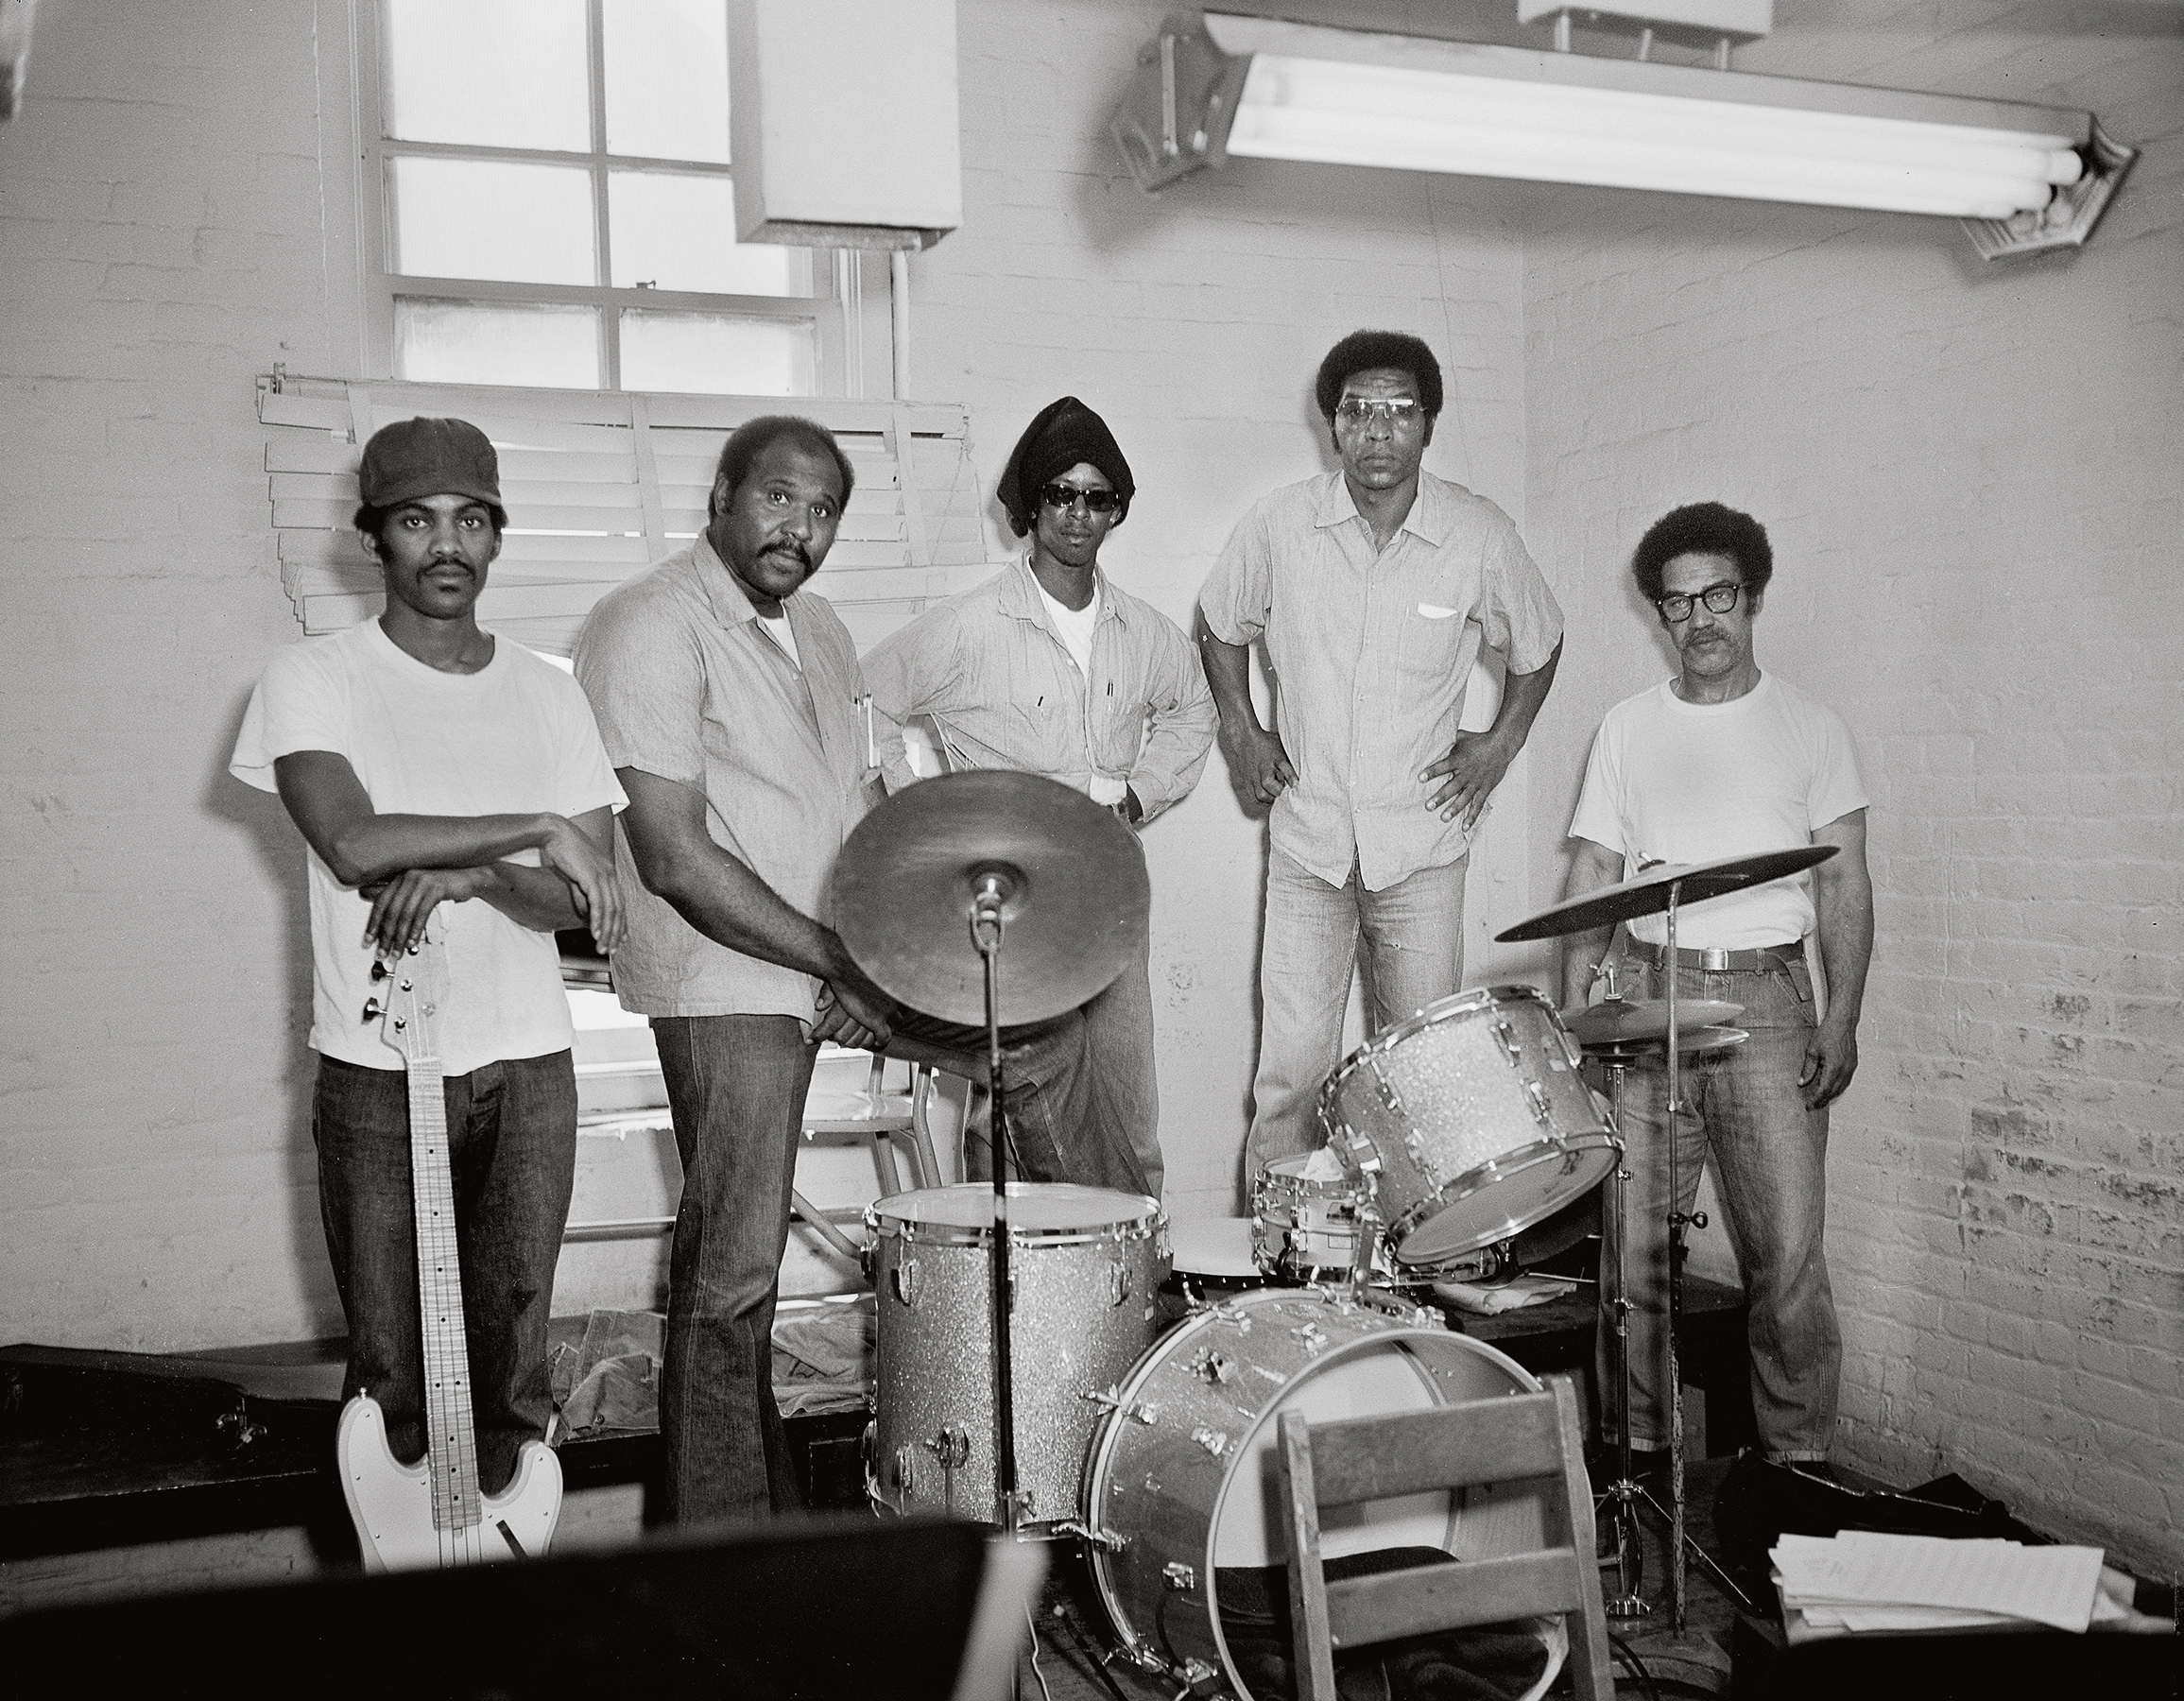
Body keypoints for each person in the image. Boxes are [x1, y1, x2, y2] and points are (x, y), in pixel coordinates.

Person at [574, 415, 1106, 1525]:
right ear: (720, 495)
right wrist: (835, 965)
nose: (799, 529)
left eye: (822, 512)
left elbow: (858, 806)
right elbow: (672, 857)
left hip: (830, 959)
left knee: (1033, 1044)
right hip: (727, 977)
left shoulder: (816, 627)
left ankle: (1056, 1391)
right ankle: (724, 1564)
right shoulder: (645, 623)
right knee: (734, 1277)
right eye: (777, 499)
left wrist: (905, 956)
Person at [230, 416, 627, 1498]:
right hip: (372, 1064)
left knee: (512, 1371)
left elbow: (577, 905)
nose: (444, 544)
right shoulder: (312, 678)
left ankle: (500, 1592)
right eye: (416, 520)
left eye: (468, 520)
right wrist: (535, 826)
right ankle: (403, 1617)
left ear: (497, 538)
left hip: (528, 1066)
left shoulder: (550, 692)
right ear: (375, 541)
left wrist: (475, 870)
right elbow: (355, 842)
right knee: (392, 1374)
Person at [1198, 329, 1566, 1177]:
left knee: (1425, 1077)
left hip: (1421, 851)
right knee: (1290, 1078)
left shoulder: (1476, 533)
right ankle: (1282, 1272)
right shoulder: (1279, 527)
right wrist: (1242, 730)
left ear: (1427, 427)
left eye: (1400, 411)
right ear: (1333, 425)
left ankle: (1419, 1275)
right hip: (1307, 848)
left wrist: (1499, 745)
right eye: (1357, 410)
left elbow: (1538, 641)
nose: (1377, 430)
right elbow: (1220, 626)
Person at [1557, 500, 1874, 1469]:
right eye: (1678, 603)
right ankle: (1641, 1468)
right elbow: (1588, 884)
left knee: (1785, 1263)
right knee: (1636, 1262)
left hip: (1769, 1008)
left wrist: (1844, 1017)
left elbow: (1843, 884)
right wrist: (1574, 1024)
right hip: (1649, 997)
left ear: (1753, 598)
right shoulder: (1625, 728)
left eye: (1718, 597)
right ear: (1659, 614)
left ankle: (1796, 1471)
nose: (1699, 620)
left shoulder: (1810, 727)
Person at [862, 397, 1216, 1199]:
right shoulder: (968, 625)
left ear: (1116, 509)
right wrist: (926, 819)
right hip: (1008, 898)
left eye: (1097, 497)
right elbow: (866, 703)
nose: (1077, 514)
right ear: (1029, 505)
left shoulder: (1144, 630)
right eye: (1060, 493)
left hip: (1110, 889)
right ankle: (1006, 1288)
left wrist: (1140, 794)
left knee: (1128, 1101)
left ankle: (1133, 1281)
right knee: (1012, 1107)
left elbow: (1195, 710)